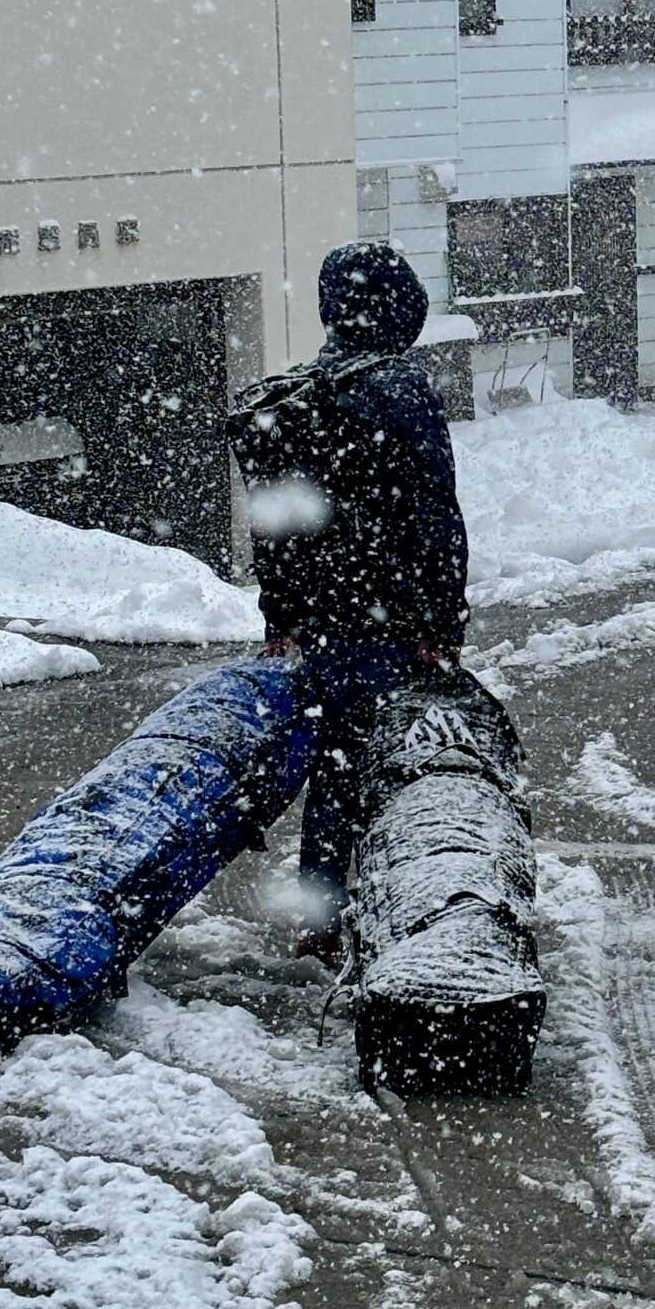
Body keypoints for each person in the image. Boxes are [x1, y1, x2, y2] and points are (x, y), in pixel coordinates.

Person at [243, 241, 469, 960]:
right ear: (401, 310)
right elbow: (435, 514)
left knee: (335, 771)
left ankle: (320, 918)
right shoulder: (400, 386)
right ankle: (412, 916)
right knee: (404, 768)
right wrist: (441, 620)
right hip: (391, 618)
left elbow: (278, 520)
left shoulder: (304, 390)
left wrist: (280, 616)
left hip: (321, 619)